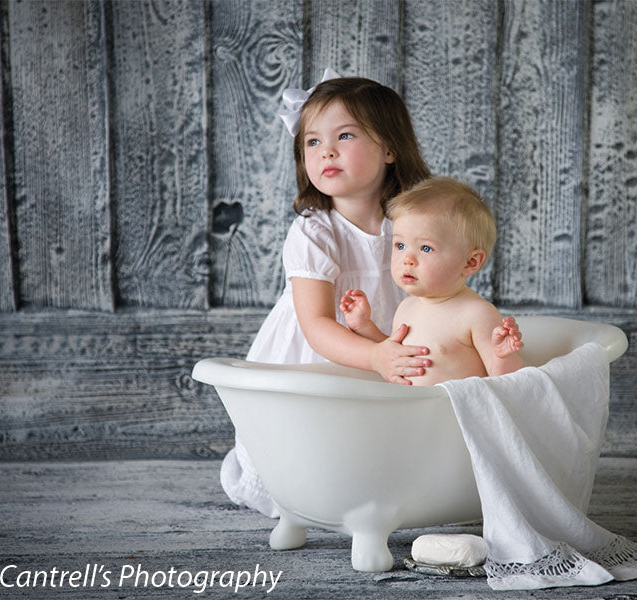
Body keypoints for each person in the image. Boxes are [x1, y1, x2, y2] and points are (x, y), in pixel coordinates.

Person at [221, 72, 433, 516]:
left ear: (390, 149)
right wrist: (374, 357)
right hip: (318, 352)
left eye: (345, 135)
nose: (326, 151)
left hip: (390, 337)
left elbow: (436, 285)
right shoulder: (315, 232)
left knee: (395, 427)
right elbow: (316, 324)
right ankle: (316, 493)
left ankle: (395, 488)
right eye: (312, 142)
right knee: (326, 433)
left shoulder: (411, 221)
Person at [340, 177, 524, 386]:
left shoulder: (476, 314)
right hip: (409, 412)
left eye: (426, 248)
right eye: (400, 245)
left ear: (470, 262)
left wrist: (503, 356)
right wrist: (364, 326)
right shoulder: (406, 307)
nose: (406, 259)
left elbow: (509, 386)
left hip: (448, 415)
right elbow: (394, 355)